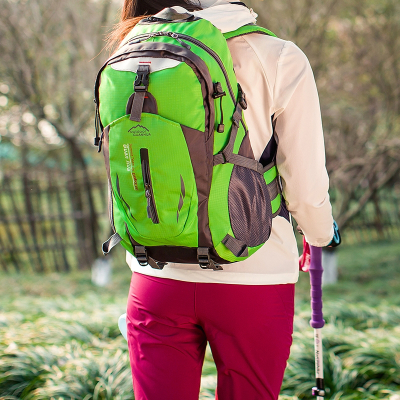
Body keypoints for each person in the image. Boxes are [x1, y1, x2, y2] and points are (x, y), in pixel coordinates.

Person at [108, 0, 335, 399]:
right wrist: (319, 235)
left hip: (156, 272)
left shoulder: (132, 47)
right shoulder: (279, 56)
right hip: (253, 270)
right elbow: (305, 183)